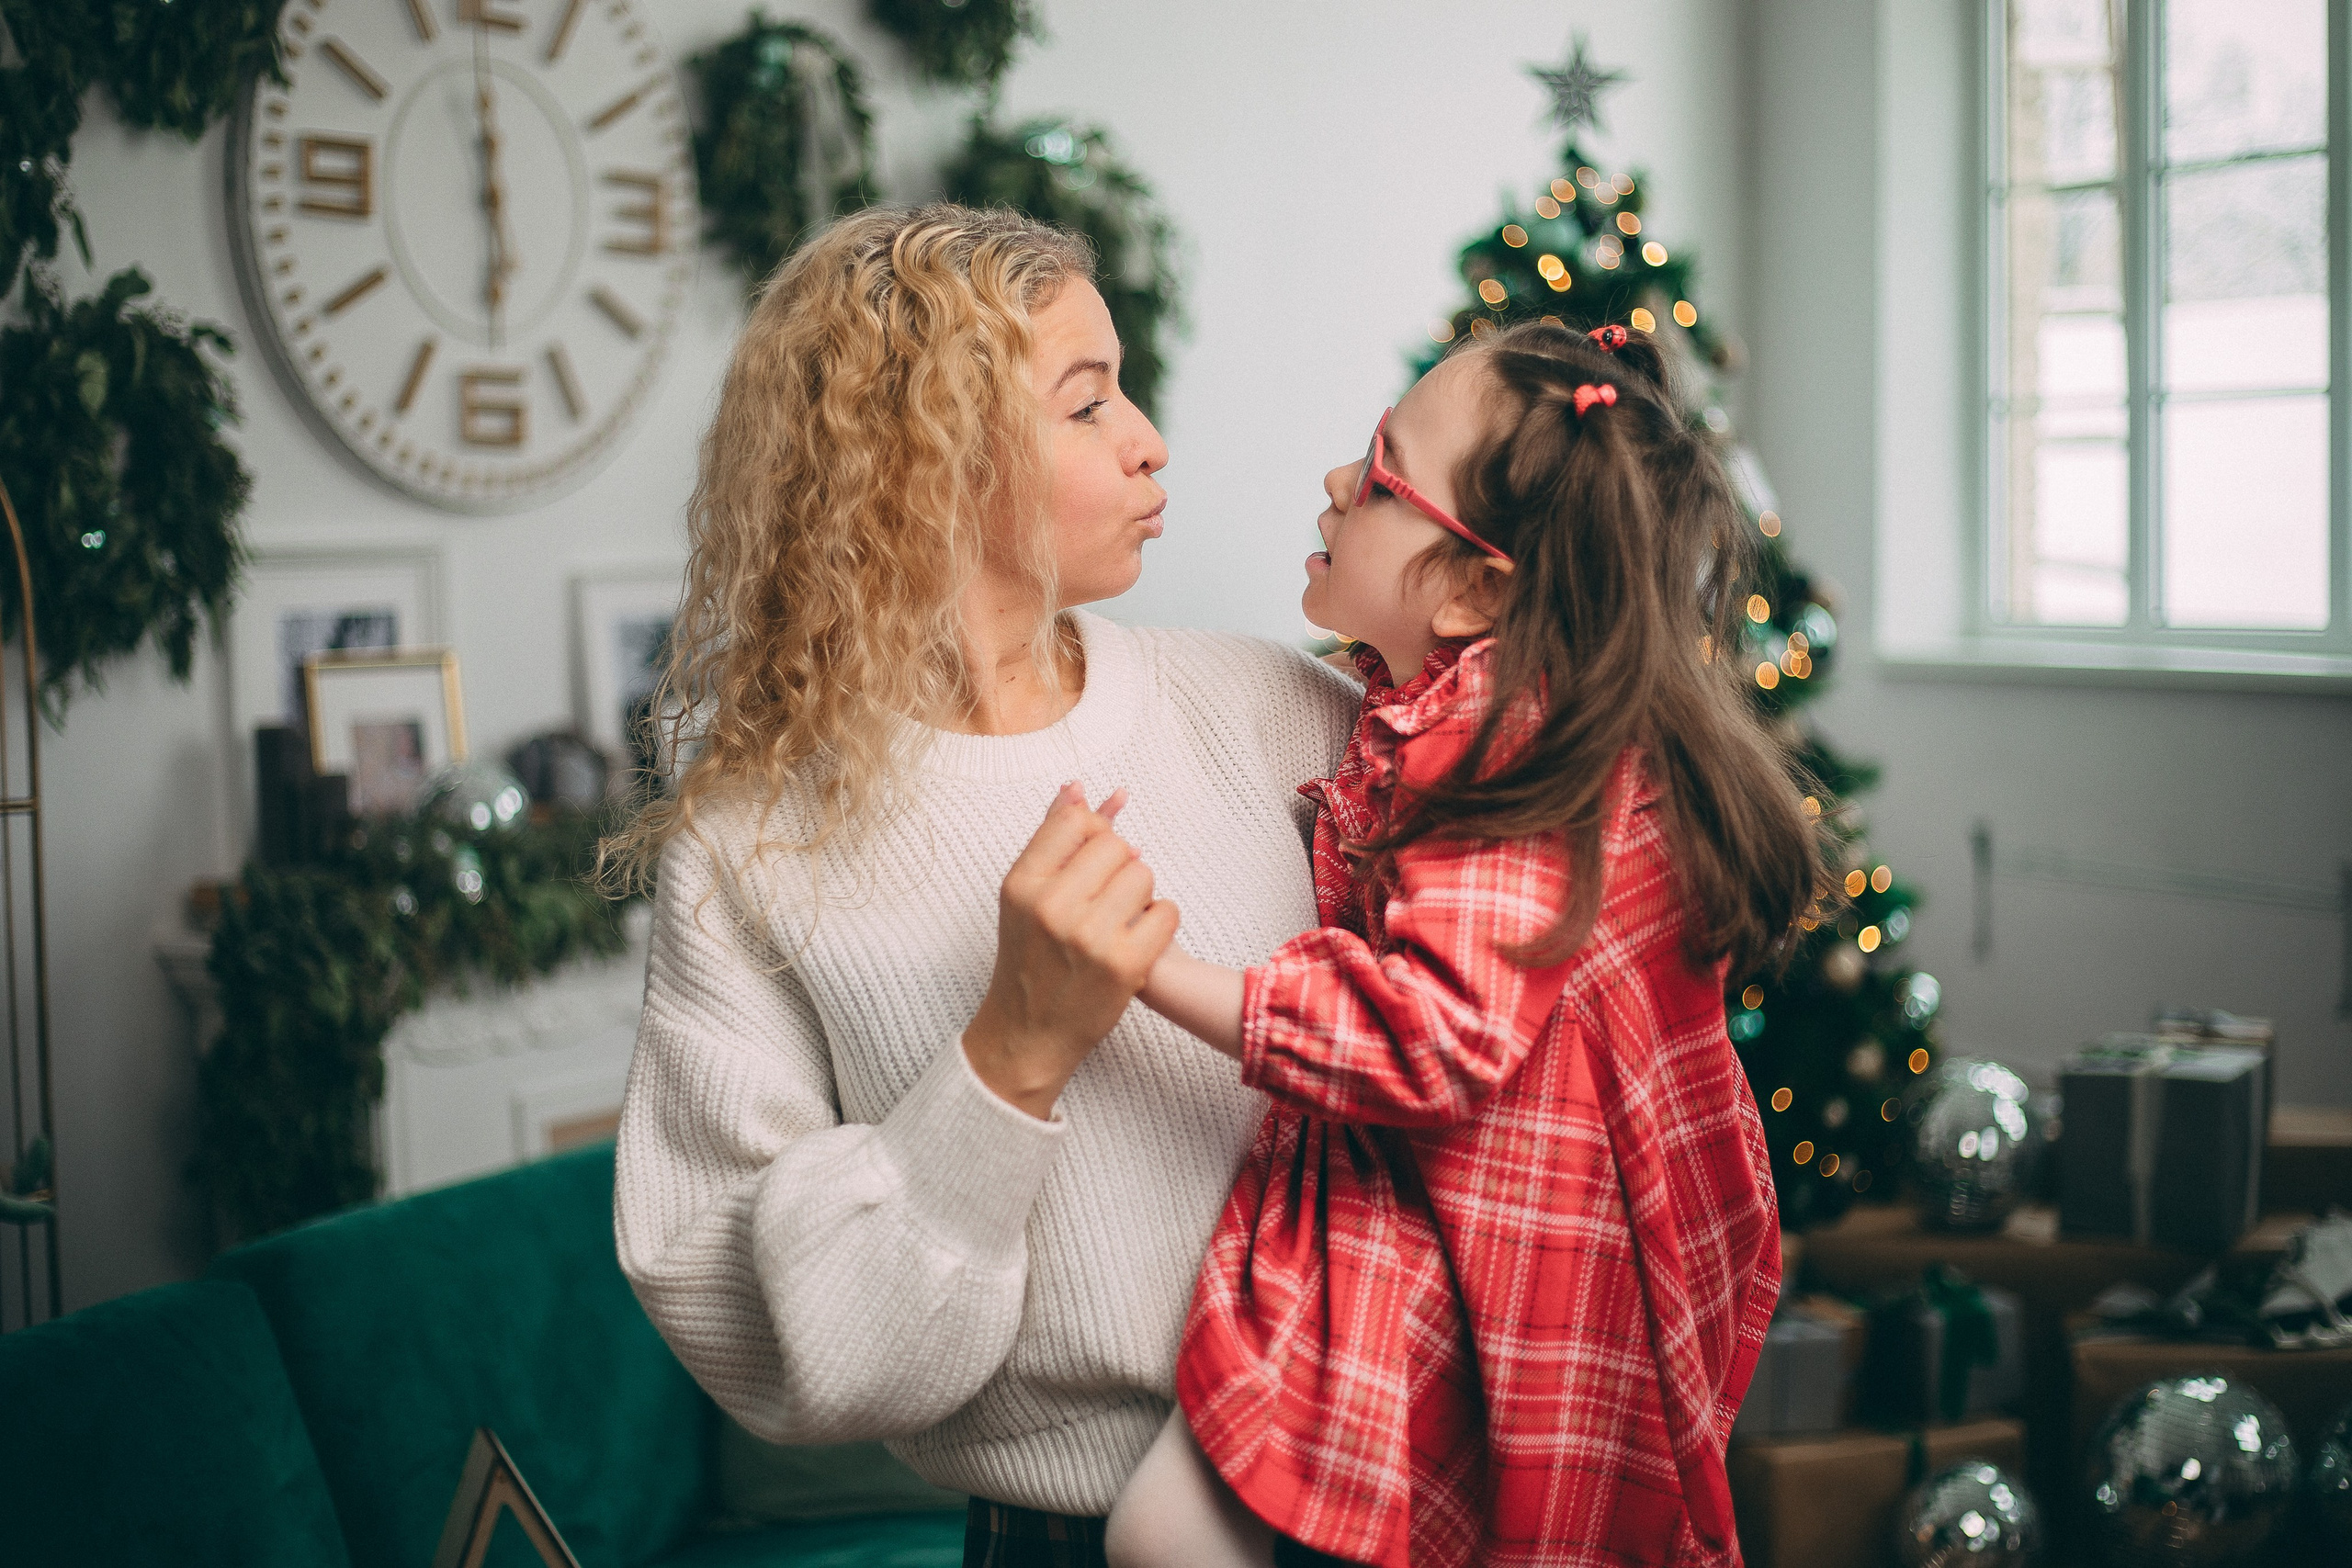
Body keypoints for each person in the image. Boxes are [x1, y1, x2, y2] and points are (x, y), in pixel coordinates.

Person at [605, 204, 1362, 1567]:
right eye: (1088, 402)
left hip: (1392, 1496)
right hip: (1060, 1543)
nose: (1149, 440)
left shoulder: (1271, 713)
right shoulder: (750, 851)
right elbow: (807, 1367)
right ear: (929, 461)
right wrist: (1011, 1058)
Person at [1102, 322, 1817, 1568]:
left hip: (1500, 1235)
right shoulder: (1486, 711)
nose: (1340, 480)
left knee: (1163, 1535)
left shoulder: (1505, 744)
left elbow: (1432, 1036)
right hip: (1504, 1218)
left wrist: (1144, 965)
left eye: (1382, 475)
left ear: (1475, 590)